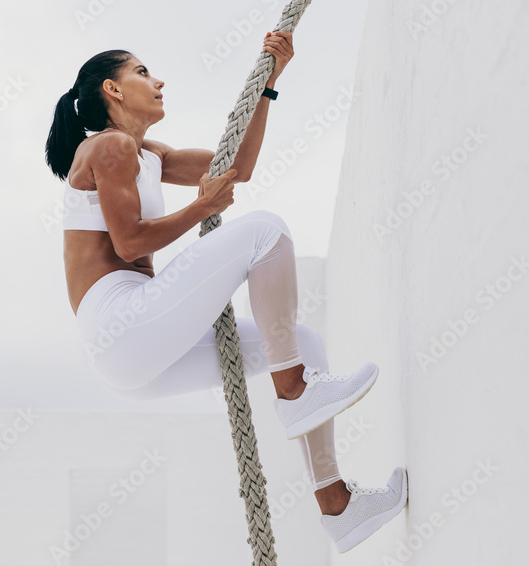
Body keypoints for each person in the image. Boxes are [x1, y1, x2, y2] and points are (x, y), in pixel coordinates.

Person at [43, 35, 407, 554]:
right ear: (113, 90)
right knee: (265, 230)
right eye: (144, 72)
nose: (158, 80)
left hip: (136, 351)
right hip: (119, 320)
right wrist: (199, 209)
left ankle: (337, 504)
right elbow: (128, 243)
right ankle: (296, 391)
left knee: (303, 341)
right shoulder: (109, 146)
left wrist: (269, 85)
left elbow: (236, 167)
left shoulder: (146, 154)